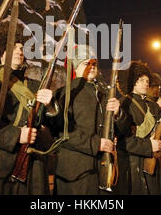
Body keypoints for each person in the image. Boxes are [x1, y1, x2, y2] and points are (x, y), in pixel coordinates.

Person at [0, 37, 58, 195]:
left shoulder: (36, 86)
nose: (19, 51)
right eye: (13, 47)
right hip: (0, 164)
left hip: (33, 169)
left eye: (21, 48)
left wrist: (50, 106)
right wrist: (16, 135)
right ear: (0, 54)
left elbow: (55, 128)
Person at [53, 44, 130, 195]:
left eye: (94, 63)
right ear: (76, 66)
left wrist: (118, 114)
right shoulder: (65, 93)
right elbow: (62, 133)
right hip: (76, 172)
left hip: (103, 169)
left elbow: (123, 130)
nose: (92, 66)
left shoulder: (104, 94)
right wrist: (97, 143)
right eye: (86, 63)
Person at [117, 61, 161, 195]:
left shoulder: (152, 106)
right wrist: (148, 146)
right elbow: (123, 141)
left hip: (151, 163)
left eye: (147, 80)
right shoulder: (123, 105)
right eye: (141, 80)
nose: (146, 83)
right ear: (132, 82)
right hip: (132, 166)